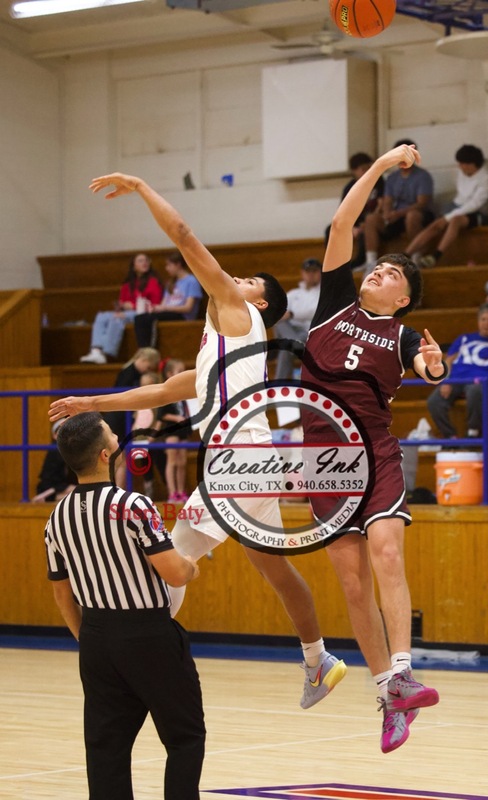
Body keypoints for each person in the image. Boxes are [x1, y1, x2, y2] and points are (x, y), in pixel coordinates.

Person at [49, 170, 347, 711]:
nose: (236, 279)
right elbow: (164, 391)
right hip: (251, 461)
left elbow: (184, 237)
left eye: (249, 281)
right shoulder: (223, 348)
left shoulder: (236, 312)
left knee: (169, 557)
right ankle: (318, 659)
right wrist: (91, 404)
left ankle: (133, 658)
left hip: (240, 460)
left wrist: (142, 188)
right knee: (272, 568)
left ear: (258, 304)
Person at [300, 142, 446, 754]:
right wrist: (383, 165)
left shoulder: (404, 333)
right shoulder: (333, 304)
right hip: (323, 461)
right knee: (354, 587)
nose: (378, 274)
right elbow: (342, 222)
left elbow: (428, 366)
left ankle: (404, 672)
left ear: (403, 298)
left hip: (376, 453)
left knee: (387, 554)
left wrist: (434, 367)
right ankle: (389, 695)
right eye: (376, 268)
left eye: (391, 275)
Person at [44, 412, 205, 799]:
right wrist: (191, 564)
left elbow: (62, 592)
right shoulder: (133, 505)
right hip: (149, 636)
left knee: (106, 749)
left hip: (96, 638)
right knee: (185, 737)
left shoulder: (57, 517)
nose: (117, 434)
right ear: (105, 454)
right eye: (111, 432)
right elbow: (175, 574)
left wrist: (87, 637)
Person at [427, 302, 488, 440]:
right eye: (483, 319)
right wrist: (446, 380)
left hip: (484, 380)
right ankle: (450, 437)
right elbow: (448, 361)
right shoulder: (464, 339)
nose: (486, 323)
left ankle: (473, 433)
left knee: (475, 390)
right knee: (434, 401)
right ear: (478, 321)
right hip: (457, 379)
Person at [405, 144, 488, 269]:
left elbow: (475, 204)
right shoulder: (462, 173)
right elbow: (460, 197)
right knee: (436, 225)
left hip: (476, 212)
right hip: (458, 206)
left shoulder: (485, 178)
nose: (460, 166)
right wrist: (447, 215)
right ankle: (405, 254)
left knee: (455, 221)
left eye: (462, 164)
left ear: (471, 164)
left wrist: (449, 216)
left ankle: (436, 256)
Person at [362, 138, 434, 273]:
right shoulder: (392, 177)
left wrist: (399, 213)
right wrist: (387, 214)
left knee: (412, 216)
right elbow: (388, 200)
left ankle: (416, 258)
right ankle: (371, 262)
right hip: (396, 216)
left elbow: (422, 203)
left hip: (417, 215)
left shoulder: (423, 176)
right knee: (371, 219)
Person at [80, 252, 163, 364]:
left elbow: (155, 304)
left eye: (146, 260)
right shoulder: (127, 284)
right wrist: (122, 306)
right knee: (102, 316)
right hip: (127, 312)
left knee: (117, 318)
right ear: (133, 266)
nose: (144, 263)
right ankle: (96, 350)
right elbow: (122, 301)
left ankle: (106, 353)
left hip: (143, 313)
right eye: (140, 261)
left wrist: (133, 306)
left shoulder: (153, 282)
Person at [104, 347, 161, 489]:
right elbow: (123, 397)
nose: (147, 371)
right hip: (119, 419)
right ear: (144, 360)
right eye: (148, 367)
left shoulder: (132, 372)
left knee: (121, 459)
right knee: (119, 459)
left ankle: (117, 490)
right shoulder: (128, 374)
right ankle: (116, 490)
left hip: (122, 418)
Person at [325, 152, 385, 269]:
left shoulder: (379, 181)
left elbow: (381, 205)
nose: (366, 171)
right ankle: (333, 263)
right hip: (355, 223)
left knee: (366, 230)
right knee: (331, 230)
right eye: (362, 169)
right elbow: (342, 213)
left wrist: (366, 224)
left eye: (368, 168)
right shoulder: (350, 187)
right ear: (354, 171)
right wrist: (351, 227)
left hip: (370, 221)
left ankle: (361, 262)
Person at [134, 251, 204, 348]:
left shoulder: (191, 281)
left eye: (169, 265)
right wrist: (155, 308)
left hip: (182, 315)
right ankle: (143, 349)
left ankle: (148, 348)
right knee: (140, 318)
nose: (167, 268)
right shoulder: (171, 283)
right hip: (168, 312)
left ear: (178, 265)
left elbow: (188, 308)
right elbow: (163, 305)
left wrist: (165, 308)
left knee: (147, 319)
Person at [273, 258, 322, 381]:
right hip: (291, 331)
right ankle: (294, 343)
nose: (311, 274)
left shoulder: (324, 293)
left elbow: (315, 312)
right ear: (302, 273)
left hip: (309, 332)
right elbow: (279, 312)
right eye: (308, 271)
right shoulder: (293, 294)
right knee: (278, 321)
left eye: (314, 271)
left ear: (320, 273)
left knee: (286, 349)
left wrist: (292, 314)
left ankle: (278, 383)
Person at [155, 359, 192, 503]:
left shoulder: (184, 390)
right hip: (171, 429)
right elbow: (161, 414)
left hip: (183, 429)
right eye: (180, 372)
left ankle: (181, 492)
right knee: (172, 461)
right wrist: (176, 418)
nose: (183, 374)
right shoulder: (167, 391)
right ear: (170, 374)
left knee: (182, 461)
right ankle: (172, 493)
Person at [31, 418, 76, 502]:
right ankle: (46, 497)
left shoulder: (64, 449)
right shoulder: (56, 449)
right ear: (54, 435)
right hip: (51, 486)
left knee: (77, 493)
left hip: (57, 485)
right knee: (77, 492)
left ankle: (46, 497)